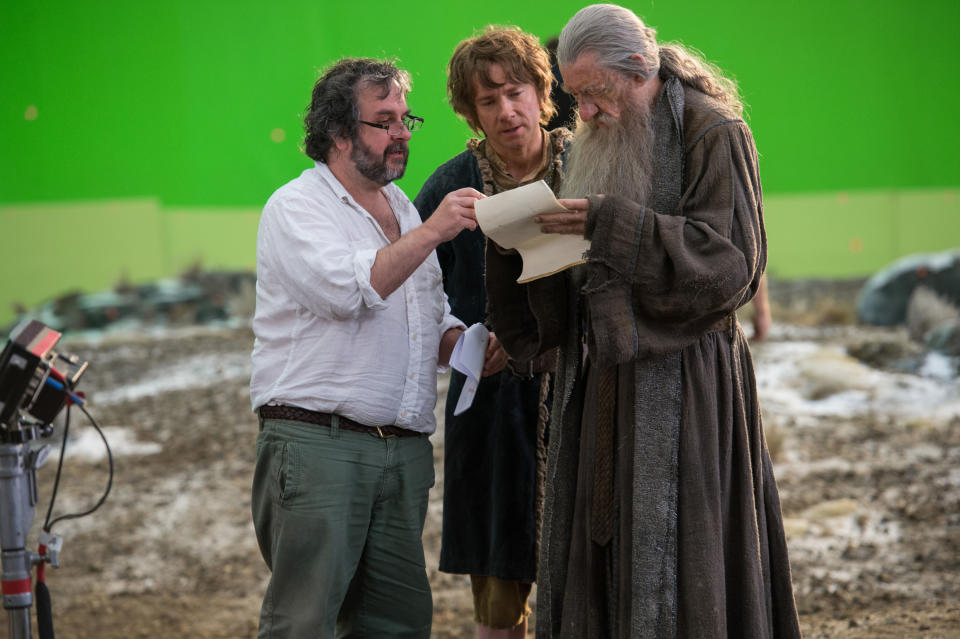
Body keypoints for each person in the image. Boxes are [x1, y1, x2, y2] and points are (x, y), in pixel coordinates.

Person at [484, 5, 802, 638]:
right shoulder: (595, 136)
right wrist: (521, 240)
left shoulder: (712, 133)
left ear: (639, 69)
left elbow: (731, 262)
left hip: (689, 384)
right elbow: (585, 263)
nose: (588, 114)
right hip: (600, 384)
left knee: (686, 549)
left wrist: (612, 226)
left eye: (597, 95)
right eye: (576, 98)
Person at [249, 57, 487, 638]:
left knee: (398, 625)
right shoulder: (297, 206)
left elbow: (424, 315)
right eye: (385, 121)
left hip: (400, 453)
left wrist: (466, 343)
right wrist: (435, 230)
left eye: (407, 119)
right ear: (337, 132)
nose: (403, 133)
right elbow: (346, 291)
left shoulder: (401, 208)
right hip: (319, 446)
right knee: (303, 623)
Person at [413, 27, 569, 639]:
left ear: (542, 92)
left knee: (590, 581)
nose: (507, 110)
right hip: (494, 412)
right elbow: (411, 303)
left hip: (585, 402)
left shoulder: (588, 165)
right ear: (468, 110)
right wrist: (460, 348)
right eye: (488, 99)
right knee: (500, 607)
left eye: (517, 91)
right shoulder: (448, 191)